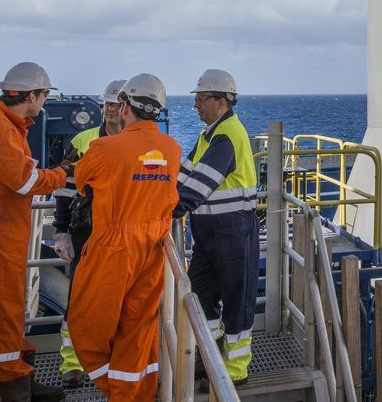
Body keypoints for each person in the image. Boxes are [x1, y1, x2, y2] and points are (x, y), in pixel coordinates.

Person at [0, 62, 70, 402]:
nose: (45, 102)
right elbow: (24, 181)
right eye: (44, 95)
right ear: (31, 95)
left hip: (1, 232)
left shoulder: (7, 125)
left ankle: (24, 379)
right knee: (1, 312)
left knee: (11, 309)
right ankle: (15, 390)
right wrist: (64, 173)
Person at [67, 73, 181, 401]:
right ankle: (132, 394)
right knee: (136, 330)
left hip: (113, 246)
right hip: (154, 247)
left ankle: (115, 389)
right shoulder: (172, 149)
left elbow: (81, 181)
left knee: (85, 328)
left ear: (125, 105)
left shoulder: (104, 147)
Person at [176, 68, 259, 385]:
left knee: (237, 301)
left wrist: (167, 210)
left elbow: (198, 186)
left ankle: (235, 371)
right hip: (209, 236)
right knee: (199, 294)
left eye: (200, 98)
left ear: (221, 101)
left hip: (234, 233)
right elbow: (184, 176)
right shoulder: (208, 135)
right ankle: (211, 354)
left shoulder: (227, 136)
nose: (195, 105)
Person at [53, 78, 126, 388]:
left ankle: (118, 361)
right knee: (79, 299)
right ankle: (72, 364)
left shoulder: (135, 142)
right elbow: (65, 188)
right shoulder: (83, 141)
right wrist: (61, 231)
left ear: (126, 107)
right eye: (106, 104)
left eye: (115, 104)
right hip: (86, 232)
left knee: (123, 300)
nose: (109, 109)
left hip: (124, 236)